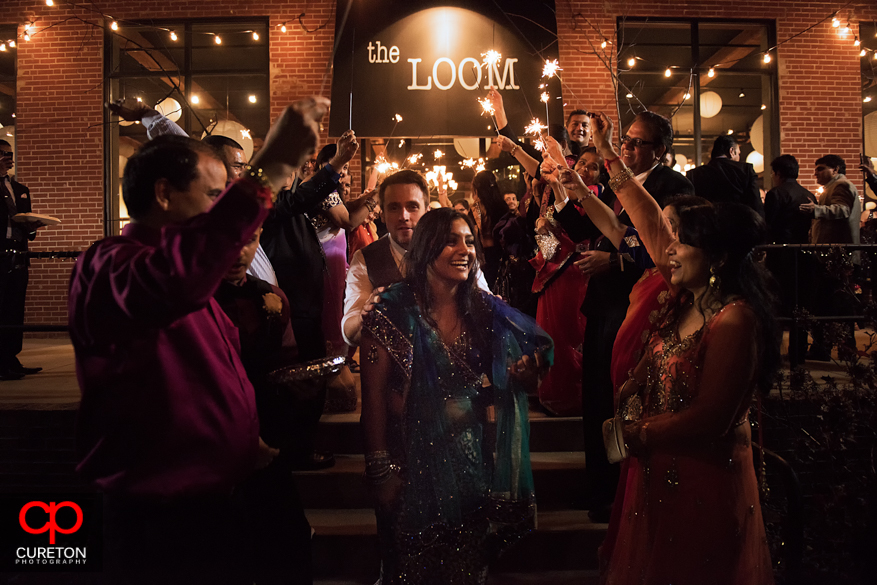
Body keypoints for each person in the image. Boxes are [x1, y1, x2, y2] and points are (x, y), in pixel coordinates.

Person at [70, 98, 327, 583]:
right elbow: (177, 278)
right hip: (160, 517)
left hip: (219, 497)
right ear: (164, 194)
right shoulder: (110, 266)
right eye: (214, 196)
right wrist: (270, 167)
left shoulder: (196, 281)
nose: (223, 214)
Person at [581, 111, 777, 584]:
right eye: (668, 238)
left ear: (716, 255)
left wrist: (639, 433)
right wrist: (632, 384)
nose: (666, 248)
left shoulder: (733, 319)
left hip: (703, 477)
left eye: (680, 240)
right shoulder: (682, 300)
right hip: (656, 470)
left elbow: (712, 417)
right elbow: (641, 219)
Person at [359, 207, 553, 584]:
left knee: (465, 566)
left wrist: (527, 372)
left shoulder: (484, 310)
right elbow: (374, 398)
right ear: (426, 247)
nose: (464, 249)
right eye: (450, 241)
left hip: (469, 460)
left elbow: (538, 350)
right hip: (406, 462)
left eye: (469, 241)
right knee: (411, 567)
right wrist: (380, 471)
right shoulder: (390, 310)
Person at [213, 226, 313, 584]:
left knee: (285, 534)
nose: (241, 252)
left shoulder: (270, 296)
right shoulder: (193, 302)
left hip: (267, 425)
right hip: (215, 434)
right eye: (230, 239)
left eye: (251, 239)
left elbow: (285, 360)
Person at [108, 98, 278, 285]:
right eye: (238, 166)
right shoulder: (143, 268)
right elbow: (185, 146)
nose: (211, 208)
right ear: (164, 193)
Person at [342, 170, 490, 347]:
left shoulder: (455, 249)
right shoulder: (367, 258)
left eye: (412, 206)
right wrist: (364, 317)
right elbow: (349, 334)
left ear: (427, 211)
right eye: (394, 207)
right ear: (382, 213)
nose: (403, 216)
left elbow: (485, 302)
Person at [799, 154, 861, 361]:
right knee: (831, 304)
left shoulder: (841, 185)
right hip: (831, 257)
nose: (815, 173)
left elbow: (842, 210)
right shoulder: (834, 187)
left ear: (835, 169)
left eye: (821, 168)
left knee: (834, 304)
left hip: (836, 258)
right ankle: (832, 348)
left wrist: (816, 210)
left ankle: (833, 349)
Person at [763, 155, 816, 366]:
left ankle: (773, 354)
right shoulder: (808, 194)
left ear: (778, 173)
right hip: (803, 253)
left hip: (781, 255)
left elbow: (769, 225)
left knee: (777, 305)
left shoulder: (777, 194)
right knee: (799, 305)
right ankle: (798, 353)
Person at [0, 139, 43, 379]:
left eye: (10, 153)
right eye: (3, 154)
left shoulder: (20, 189)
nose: (9, 157)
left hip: (19, 253)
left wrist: (33, 227)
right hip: (0, 251)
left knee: (15, 308)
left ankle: (10, 357)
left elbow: (27, 224)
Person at [620, 111, 694, 207]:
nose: (626, 145)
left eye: (638, 142)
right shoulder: (619, 179)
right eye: (627, 138)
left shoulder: (676, 186)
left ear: (659, 151)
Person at [686, 135, 764, 217]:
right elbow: (756, 205)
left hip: (707, 226)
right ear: (732, 151)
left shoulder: (694, 174)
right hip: (738, 225)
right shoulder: (745, 170)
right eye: (738, 154)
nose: (739, 157)